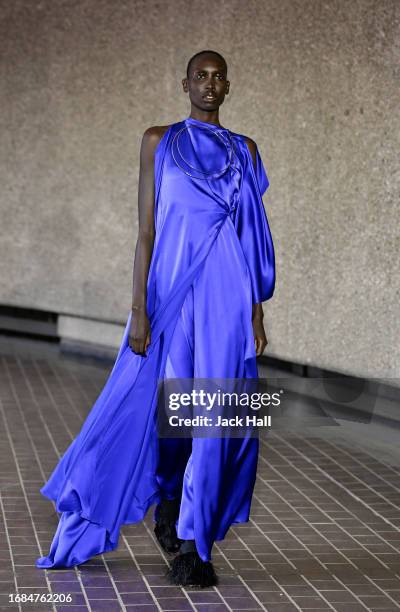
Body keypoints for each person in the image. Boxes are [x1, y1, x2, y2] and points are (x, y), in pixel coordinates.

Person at [35, 49, 276, 588]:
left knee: (218, 418)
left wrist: (256, 313)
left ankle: (195, 543)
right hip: (168, 299)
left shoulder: (245, 151)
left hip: (227, 302)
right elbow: (145, 234)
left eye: (219, 78)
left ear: (229, 87)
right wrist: (138, 310)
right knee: (166, 415)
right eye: (200, 77)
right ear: (184, 83)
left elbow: (250, 240)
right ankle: (169, 506)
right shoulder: (157, 141)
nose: (209, 85)